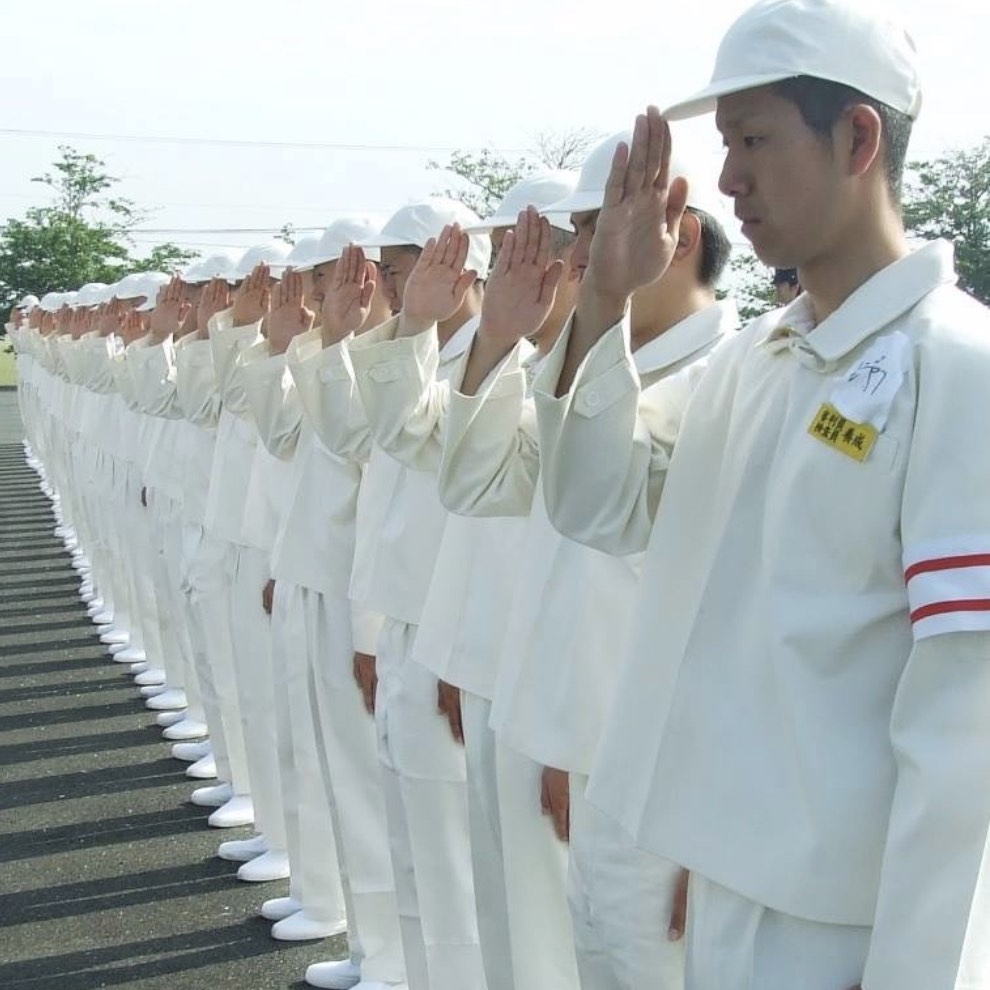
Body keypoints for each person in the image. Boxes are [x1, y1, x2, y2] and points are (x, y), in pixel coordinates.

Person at [531, 1, 990, 987]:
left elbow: (967, 739)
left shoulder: (960, 370)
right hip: (728, 889)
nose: (728, 178)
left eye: (753, 140)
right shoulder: (758, 363)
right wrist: (603, 301)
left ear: (857, 136)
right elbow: (594, 504)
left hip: (847, 929)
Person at [440, 132, 735, 990]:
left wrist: (711, 813)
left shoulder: (729, 376)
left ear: (673, 236)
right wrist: (496, 339)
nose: (575, 257)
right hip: (586, 751)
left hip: (672, 788)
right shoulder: (594, 366)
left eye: (589, 230)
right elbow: (477, 480)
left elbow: (738, 620)